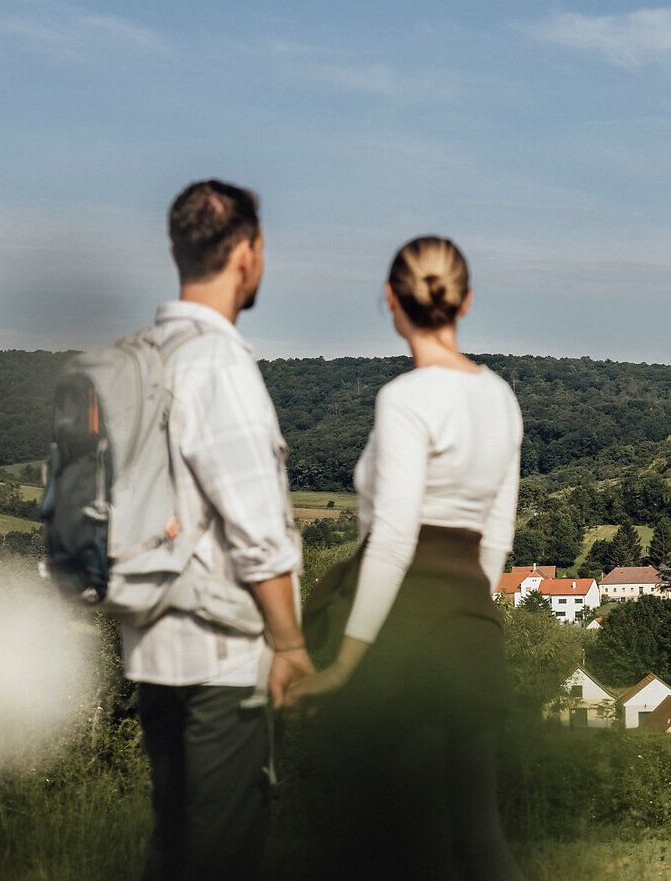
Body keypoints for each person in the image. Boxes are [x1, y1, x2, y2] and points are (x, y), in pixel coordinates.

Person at [289, 235, 525, 879]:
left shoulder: (405, 399)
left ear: (391, 301)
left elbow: (392, 540)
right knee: (480, 837)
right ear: (466, 302)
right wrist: (468, 617)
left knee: (393, 844)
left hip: (403, 641)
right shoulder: (502, 399)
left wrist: (344, 665)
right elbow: (496, 537)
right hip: (475, 637)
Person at [127, 180, 312, 881]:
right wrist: (289, 644)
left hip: (151, 649)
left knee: (172, 846)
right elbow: (256, 528)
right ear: (245, 252)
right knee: (224, 853)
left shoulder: (143, 357)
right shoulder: (218, 364)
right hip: (223, 657)